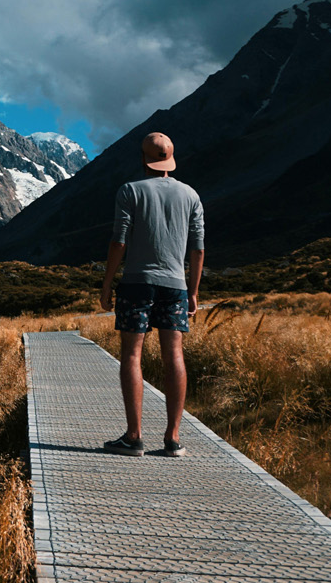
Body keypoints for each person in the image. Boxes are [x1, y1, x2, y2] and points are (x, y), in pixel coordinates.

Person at [99, 131, 204, 457]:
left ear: (143, 158)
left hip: (136, 283)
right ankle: (172, 439)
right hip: (176, 286)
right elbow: (198, 249)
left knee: (132, 355)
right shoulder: (191, 195)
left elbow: (119, 241)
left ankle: (134, 437)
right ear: (170, 159)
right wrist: (194, 291)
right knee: (174, 354)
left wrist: (107, 283)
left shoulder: (130, 191)